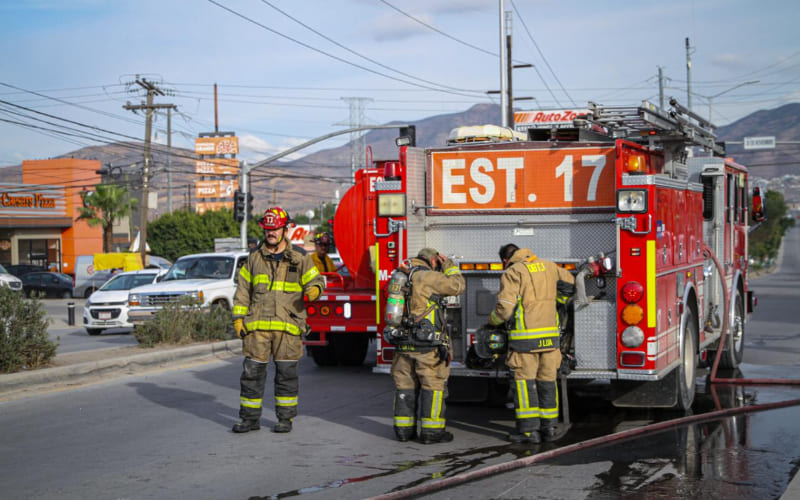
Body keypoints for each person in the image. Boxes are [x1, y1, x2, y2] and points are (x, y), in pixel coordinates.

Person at [231, 206, 324, 434]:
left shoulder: (300, 258)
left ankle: (285, 419)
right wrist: (238, 319)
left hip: (288, 328)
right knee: (251, 376)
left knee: (286, 377)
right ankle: (249, 419)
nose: (270, 233)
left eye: (275, 229)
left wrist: (313, 291)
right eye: (267, 229)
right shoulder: (253, 258)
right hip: (257, 328)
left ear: (285, 229)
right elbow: (243, 291)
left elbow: (317, 280)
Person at [488, 243, 575, 444]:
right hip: (550, 340)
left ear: (504, 260)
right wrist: (557, 302)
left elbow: (506, 308)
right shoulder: (549, 266)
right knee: (547, 382)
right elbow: (570, 284)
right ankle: (550, 429)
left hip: (524, 342)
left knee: (525, 384)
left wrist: (492, 321)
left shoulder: (513, 272)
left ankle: (529, 432)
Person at [389, 247, 465, 444]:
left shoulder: (401, 275)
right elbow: (458, 286)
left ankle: (403, 432)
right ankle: (432, 433)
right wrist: (448, 265)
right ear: (432, 261)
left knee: (404, 385)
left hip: (403, 343)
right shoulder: (429, 277)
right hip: (427, 345)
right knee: (433, 385)